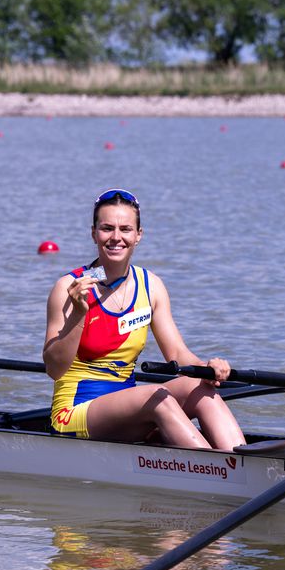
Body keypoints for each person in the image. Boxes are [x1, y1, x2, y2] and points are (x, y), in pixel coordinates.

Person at [43, 188, 246, 450]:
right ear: (94, 233)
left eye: (125, 229)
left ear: (139, 235)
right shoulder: (69, 287)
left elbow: (176, 353)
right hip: (74, 412)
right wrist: (79, 315)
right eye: (107, 228)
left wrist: (208, 368)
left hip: (126, 405)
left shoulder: (151, 286)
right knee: (156, 395)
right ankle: (217, 472)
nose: (116, 237)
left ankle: (240, 458)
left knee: (200, 388)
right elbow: (54, 369)